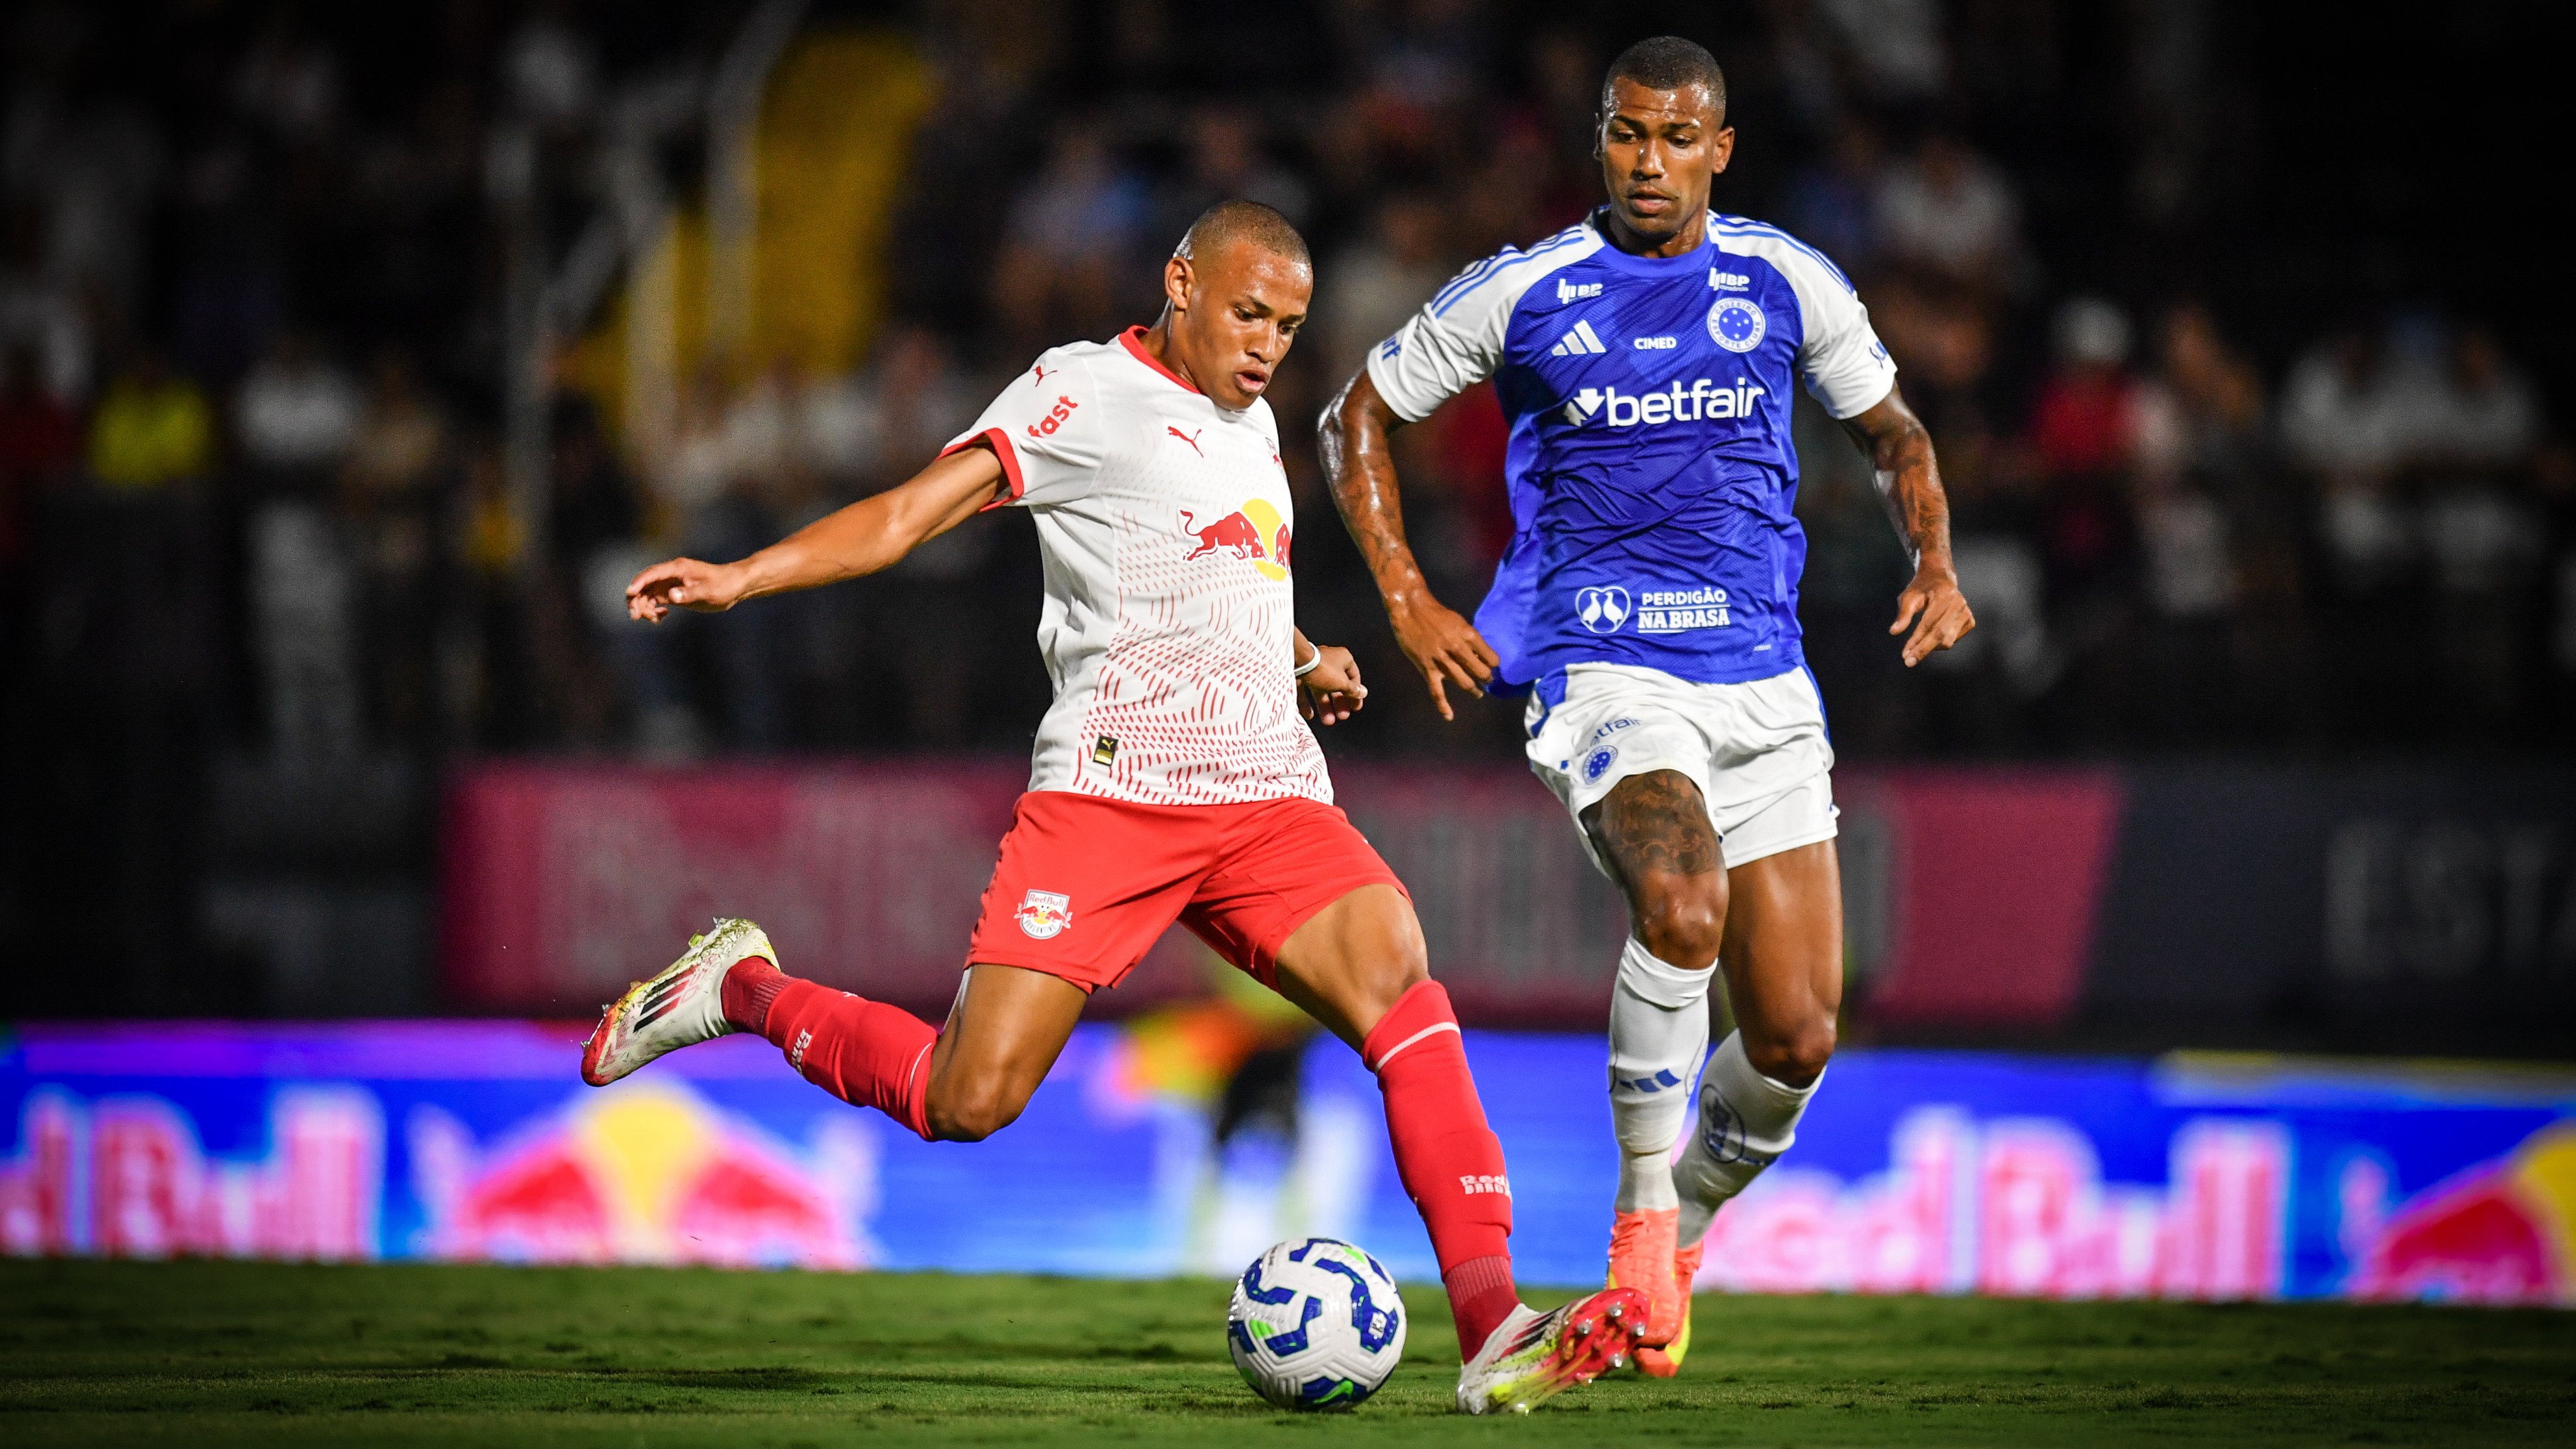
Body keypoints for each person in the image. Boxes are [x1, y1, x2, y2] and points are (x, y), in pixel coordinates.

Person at [585, 201, 1645, 1414]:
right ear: (1180, 282)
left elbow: (1215, 564)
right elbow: (906, 515)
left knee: (1401, 980)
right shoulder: (1083, 391)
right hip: (1113, 798)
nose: (1267, 346)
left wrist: (1301, 658)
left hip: (1263, 795)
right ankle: (742, 988)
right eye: (1249, 314)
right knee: (965, 1099)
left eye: (1290, 327)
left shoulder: (1251, 426)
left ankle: (1491, 1324)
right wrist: (742, 575)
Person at [1318, 37, 1974, 1377]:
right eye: (1625, 136)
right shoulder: (1529, 289)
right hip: (1601, 664)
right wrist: (1404, 597)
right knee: (1682, 903)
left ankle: (1682, 1225)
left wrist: (1936, 562)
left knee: (1793, 1035)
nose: (1647, 163)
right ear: (1597, 142)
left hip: (1763, 681)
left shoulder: (1785, 279)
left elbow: (1893, 432)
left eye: (1676, 139)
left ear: (1718, 149)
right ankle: (1634, 1219)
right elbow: (1353, 415)